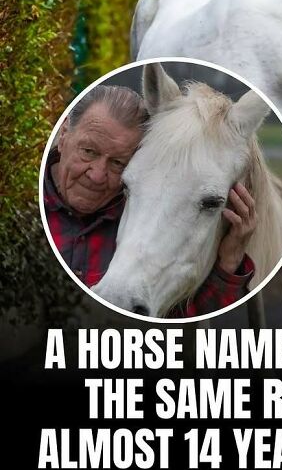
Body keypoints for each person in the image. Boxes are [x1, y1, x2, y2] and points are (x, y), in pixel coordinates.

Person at [44, 84, 257, 318]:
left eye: (117, 163)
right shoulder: (21, 210)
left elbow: (180, 327)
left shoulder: (141, 215)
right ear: (63, 134)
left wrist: (227, 266)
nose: (97, 175)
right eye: (88, 151)